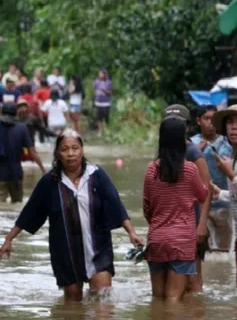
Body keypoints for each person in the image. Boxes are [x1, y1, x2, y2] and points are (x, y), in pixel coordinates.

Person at [0, 129, 144, 302]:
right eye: (65, 149)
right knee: (73, 302)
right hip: (65, 251)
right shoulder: (50, 182)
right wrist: (9, 238)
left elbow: (115, 204)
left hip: (98, 248)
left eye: (75, 148)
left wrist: (131, 232)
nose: (70, 154)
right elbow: (30, 211)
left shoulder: (97, 175)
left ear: (82, 150)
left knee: (103, 300)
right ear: (58, 154)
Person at [143, 116, 208, 301]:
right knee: (174, 300)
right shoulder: (189, 170)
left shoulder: (151, 170)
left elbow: (146, 208)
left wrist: (159, 224)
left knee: (158, 298)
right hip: (182, 240)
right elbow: (203, 196)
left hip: (157, 238)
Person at [164, 104, 212, 292]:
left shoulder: (193, 153)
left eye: (179, 124)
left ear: (187, 128)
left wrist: (201, 225)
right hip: (170, 224)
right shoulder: (164, 152)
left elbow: (206, 192)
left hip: (192, 222)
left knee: (193, 282)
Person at [191, 105, 232, 251]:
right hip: (200, 205)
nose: (210, 123)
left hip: (224, 203)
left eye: (212, 119)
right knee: (204, 249)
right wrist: (196, 152)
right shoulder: (192, 144)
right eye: (206, 119)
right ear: (198, 121)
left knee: (225, 249)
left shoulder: (228, 143)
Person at [0, 103, 46, 203]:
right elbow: (32, 152)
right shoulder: (22, 128)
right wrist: (43, 169)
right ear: (15, 113)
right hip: (16, 174)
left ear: (2, 112)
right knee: (17, 205)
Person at [210, 105, 237, 273]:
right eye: (230, 122)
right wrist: (219, 193)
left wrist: (231, 175)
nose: (234, 127)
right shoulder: (233, 157)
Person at [93, 69, 112, 137]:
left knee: (106, 117)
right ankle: (100, 131)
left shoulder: (108, 82)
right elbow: (94, 89)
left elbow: (110, 91)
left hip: (106, 102)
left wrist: (106, 91)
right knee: (99, 118)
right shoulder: (96, 82)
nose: (100, 75)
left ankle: (107, 131)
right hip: (98, 102)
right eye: (99, 73)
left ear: (104, 75)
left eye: (101, 73)